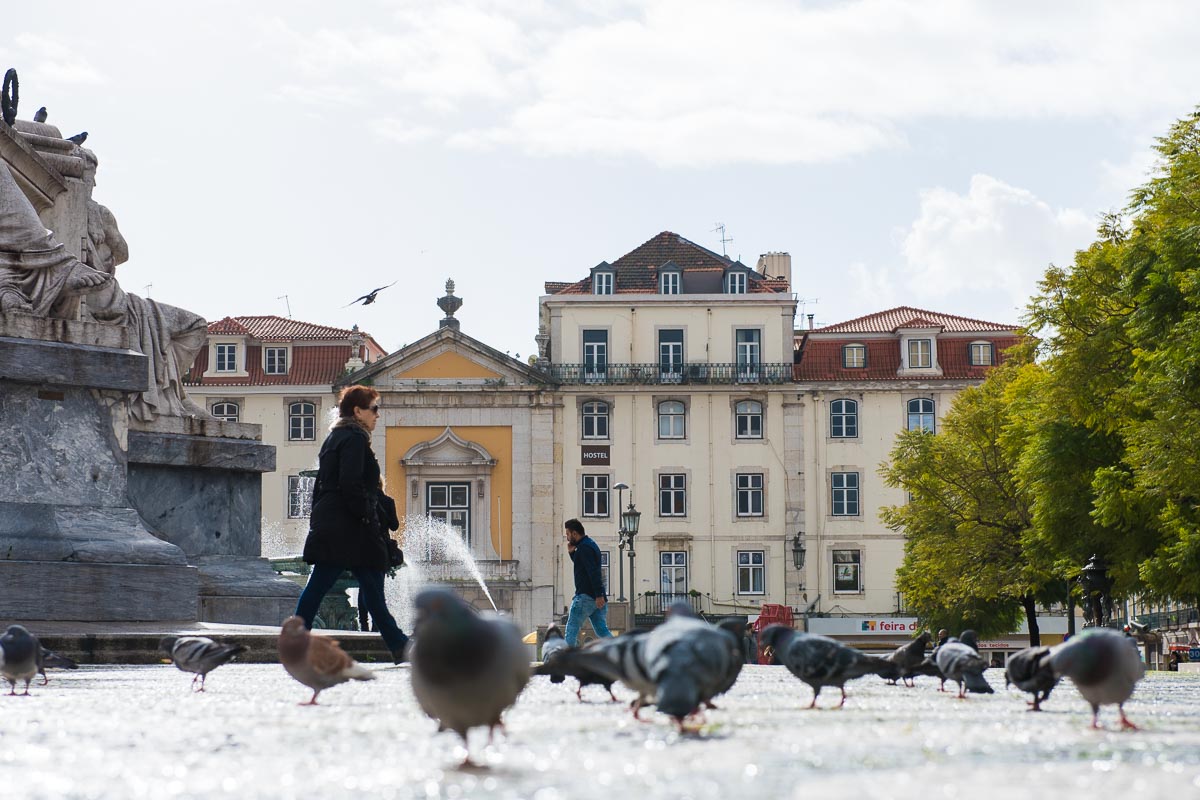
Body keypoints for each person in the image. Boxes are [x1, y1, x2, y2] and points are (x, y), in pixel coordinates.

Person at [295, 385, 409, 663]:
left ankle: (400, 645)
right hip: (351, 528)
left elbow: (325, 486)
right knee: (342, 585)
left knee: (354, 586)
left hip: (337, 524)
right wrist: (366, 517)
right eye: (374, 409)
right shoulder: (354, 439)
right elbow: (350, 483)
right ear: (358, 411)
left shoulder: (334, 438)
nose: (377, 415)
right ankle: (399, 645)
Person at [563, 518, 613, 647]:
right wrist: (572, 553)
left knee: (571, 629)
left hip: (586, 596)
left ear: (575, 533)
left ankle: (567, 661)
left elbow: (593, 572)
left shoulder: (584, 548)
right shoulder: (589, 544)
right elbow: (584, 566)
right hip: (595, 597)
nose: (567, 538)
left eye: (568, 534)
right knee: (602, 630)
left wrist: (599, 595)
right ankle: (620, 650)